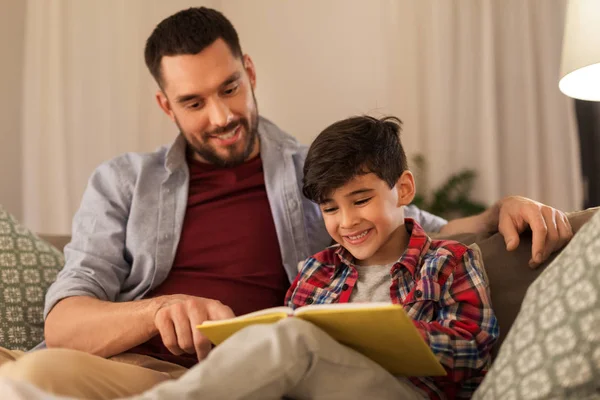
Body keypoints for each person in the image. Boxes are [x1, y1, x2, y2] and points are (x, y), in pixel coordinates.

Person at [0, 6, 571, 400]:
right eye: (194, 102)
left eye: (229, 88)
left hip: (251, 374)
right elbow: (65, 324)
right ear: (165, 105)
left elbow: (415, 231)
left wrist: (499, 213)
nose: (221, 116)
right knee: (37, 372)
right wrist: (156, 309)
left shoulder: (314, 177)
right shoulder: (122, 182)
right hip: (133, 372)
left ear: (249, 73)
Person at [0, 115, 498, 400]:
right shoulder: (317, 270)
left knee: (292, 337)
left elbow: (473, 354)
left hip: (398, 392)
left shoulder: (448, 262)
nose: (347, 221)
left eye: (361, 200)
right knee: (283, 335)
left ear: (402, 189)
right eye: (329, 208)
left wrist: (385, 334)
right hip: (308, 389)